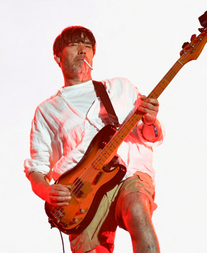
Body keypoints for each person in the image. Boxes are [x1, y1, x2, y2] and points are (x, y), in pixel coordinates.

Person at [24, 26, 163, 253]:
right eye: (74, 45)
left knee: (137, 209)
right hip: (80, 195)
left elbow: (149, 136)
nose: (82, 51)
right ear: (57, 57)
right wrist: (46, 191)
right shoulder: (46, 111)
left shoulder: (120, 87)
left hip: (127, 174)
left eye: (87, 46)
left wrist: (150, 121)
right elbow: (37, 168)